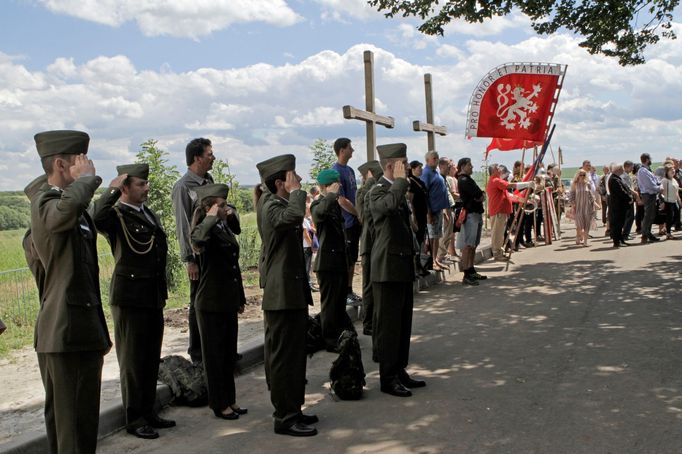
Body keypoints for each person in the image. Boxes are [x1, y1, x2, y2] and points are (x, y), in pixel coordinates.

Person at [29, 130, 111, 454]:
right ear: (62, 164)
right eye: (80, 161)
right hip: (66, 332)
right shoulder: (46, 203)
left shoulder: (73, 209)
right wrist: (87, 181)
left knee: (76, 427)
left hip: (78, 331)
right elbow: (62, 214)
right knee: (73, 430)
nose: (88, 166)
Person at [91, 163, 174, 439]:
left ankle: (149, 411)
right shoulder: (116, 215)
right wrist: (111, 190)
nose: (146, 187)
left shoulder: (147, 213)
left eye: (146, 183)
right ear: (125, 187)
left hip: (151, 295)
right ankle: (135, 418)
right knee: (132, 361)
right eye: (140, 184)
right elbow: (96, 216)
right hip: (130, 297)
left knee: (150, 358)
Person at [256, 154, 317, 437]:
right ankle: (284, 416)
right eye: (293, 177)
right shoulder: (270, 205)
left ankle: (294, 408)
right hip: (281, 295)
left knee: (294, 357)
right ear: (280, 182)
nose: (300, 181)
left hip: (291, 291)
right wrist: (297, 194)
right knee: (283, 359)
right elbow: (292, 217)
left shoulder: (280, 202)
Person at [370, 143, 425, 397]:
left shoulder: (396, 190)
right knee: (390, 327)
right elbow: (389, 206)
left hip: (401, 265)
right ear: (391, 166)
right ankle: (387, 377)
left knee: (403, 324)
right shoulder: (377, 190)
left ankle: (399, 369)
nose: (407, 167)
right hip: (387, 269)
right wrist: (401, 183)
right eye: (403, 162)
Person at [189, 183, 248, 421]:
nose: (227, 208)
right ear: (210, 208)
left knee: (228, 354)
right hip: (210, 302)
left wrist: (240, 297)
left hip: (227, 299)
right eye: (222, 205)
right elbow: (197, 241)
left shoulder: (223, 228)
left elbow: (234, 267)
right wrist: (211, 218)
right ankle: (219, 403)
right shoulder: (205, 230)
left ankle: (230, 400)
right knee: (214, 356)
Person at [171, 137, 215, 364]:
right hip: (198, 255)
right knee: (197, 302)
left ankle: (214, 348)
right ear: (197, 158)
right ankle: (197, 353)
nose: (213, 157)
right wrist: (189, 259)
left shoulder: (208, 180)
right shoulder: (183, 187)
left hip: (213, 253)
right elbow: (183, 225)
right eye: (209, 154)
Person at [311, 169, 354, 351]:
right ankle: (329, 340)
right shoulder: (319, 204)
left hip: (338, 261)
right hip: (327, 263)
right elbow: (319, 214)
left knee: (338, 302)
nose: (340, 186)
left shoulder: (333, 203)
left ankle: (341, 333)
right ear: (326, 187)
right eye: (335, 184)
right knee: (329, 304)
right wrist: (330, 195)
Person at [331, 138, 362, 305]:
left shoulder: (349, 170)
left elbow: (354, 194)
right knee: (347, 259)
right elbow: (341, 200)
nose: (353, 150)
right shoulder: (336, 171)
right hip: (346, 222)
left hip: (355, 220)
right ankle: (344, 292)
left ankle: (349, 289)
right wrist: (357, 214)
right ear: (342, 150)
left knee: (352, 258)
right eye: (350, 147)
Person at [356, 160, 384, 337]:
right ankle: (368, 323)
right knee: (369, 286)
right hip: (369, 244)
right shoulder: (364, 192)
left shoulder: (374, 189)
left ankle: (375, 320)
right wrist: (370, 183)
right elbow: (363, 215)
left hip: (376, 244)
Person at [485, 163, 531, 260]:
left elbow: (508, 195)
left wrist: (519, 199)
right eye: (498, 168)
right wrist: (527, 184)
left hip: (501, 211)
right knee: (497, 234)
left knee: (500, 233)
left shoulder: (497, 181)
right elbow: (511, 186)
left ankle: (499, 252)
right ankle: (497, 254)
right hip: (498, 211)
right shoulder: (496, 180)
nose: (500, 170)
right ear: (494, 171)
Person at [456, 157, 487, 286]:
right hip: (470, 215)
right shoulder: (463, 180)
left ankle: (471, 269)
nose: (472, 167)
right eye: (469, 165)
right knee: (468, 245)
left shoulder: (468, 179)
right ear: (463, 166)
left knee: (473, 244)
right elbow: (479, 194)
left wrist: (480, 196)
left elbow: (481, 195)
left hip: (476, 214)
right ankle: (466, 273)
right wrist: (480, 196)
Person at [420, 150, 449, 270]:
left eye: (437, 158)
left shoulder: (435, 172)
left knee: (437, 236)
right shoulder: (426, 173)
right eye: (434, 158)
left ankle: (435, 259)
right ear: (427, 160)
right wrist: (428, 213)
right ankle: (431, 261)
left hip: (438, 210)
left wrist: (443, 211)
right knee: (432, 237)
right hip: (431, 211)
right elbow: (424, 194)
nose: (436, 160)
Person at [636, 153, 662, 243]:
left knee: (651, 216)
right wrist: (660, 188)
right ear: (647, 160)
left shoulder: (647, 170)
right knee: (648, 216)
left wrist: (659, 183)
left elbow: (655, 180)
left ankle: (648, 233)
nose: (651, 160)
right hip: (648, 195)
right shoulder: (642, 171)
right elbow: (650, 185)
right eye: (650, 159)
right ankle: (645, 234)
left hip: (651, 195)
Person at [607, 164, 633, 247]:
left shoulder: (617, 178)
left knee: (620, 224)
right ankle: (617, 242)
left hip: (620, 205)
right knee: (617, 224)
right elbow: (621, 191)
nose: (623, 171)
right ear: (618, 170)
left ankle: (620, 240)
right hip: (617, 206)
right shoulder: (614, 179)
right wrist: (629, 198)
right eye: (621, 169)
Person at [569, 169, 597, 246]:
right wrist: (573, 205)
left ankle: (585, 242)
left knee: (587, 224)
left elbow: (590, 195)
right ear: (578, 175)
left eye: (583, 175)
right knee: (579, 224)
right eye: (580, 174)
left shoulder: (587, 183)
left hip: (587, 206)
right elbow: (572, 195)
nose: (582, 176)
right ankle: (578, 236)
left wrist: (594, 203)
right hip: (578, 206)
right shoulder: (575, 184)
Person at [661, 165, 681, 239]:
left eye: (673, 169)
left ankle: (666, 228)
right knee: (670, 217)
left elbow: (676, 192)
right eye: (671, 170)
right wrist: (662, 202)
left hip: (674, 201)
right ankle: (668, 233)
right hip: (668, 201)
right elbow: (661, 192)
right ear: (667, 172)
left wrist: (679, 201)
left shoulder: (674, 180)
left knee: (677, 216)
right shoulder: (664, 180)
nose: (673, 171)